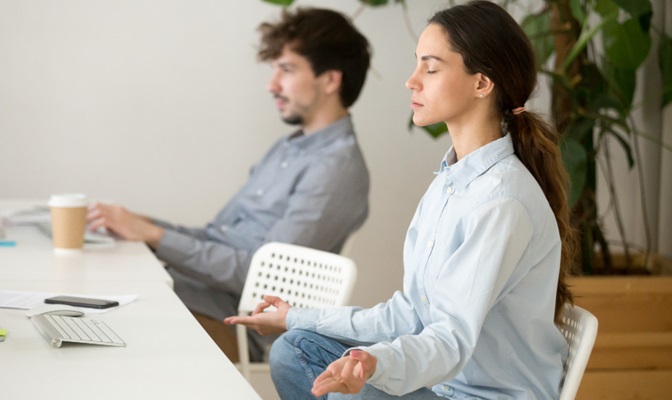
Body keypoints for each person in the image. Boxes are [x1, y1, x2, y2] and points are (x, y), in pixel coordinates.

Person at [224, 1, 577, 399]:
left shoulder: (501, 202)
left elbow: (450, 340)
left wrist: (376, 363)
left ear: (482, 83)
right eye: (416, 64)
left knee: (337, 380)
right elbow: (409, 314)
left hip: (477, 394)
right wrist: (296, 317)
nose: (412, 81)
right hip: (441, 384)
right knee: (295, 347)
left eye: (431, 68)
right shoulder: (450, 183)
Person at [87, 7, 372, 363]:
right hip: (196, 296)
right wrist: (141, 226)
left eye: (286, 70)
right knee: (89, 294)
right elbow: (216, 235)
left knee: (106, 325)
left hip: (235, 326)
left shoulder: (336, 170)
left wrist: (155, 237)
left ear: (330, 80)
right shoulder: (288, 149)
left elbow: (265, 279)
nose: (272, 85)